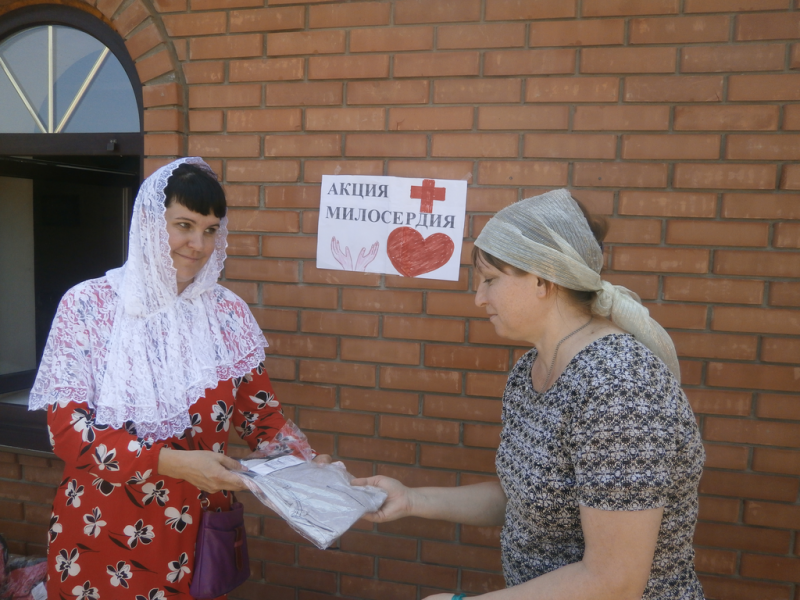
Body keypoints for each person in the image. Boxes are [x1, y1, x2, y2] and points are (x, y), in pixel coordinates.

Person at [353, 189, 705, 600]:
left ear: (542, 278)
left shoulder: (619, 386)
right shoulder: (531, 369)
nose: (479, 298)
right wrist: (411, 500)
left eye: (490, 280)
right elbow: (524, 497)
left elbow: (615, 580)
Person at [29, 157, 327, 600]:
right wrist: (172, 462)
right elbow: (69, 436)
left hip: (196, 536)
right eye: (184, 225)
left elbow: (262, 420)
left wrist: (314, 470)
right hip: (99, 531)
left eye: (210, 230)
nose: (198, 244)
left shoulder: (228, 314)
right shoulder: (87, 307)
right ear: (150, 223)